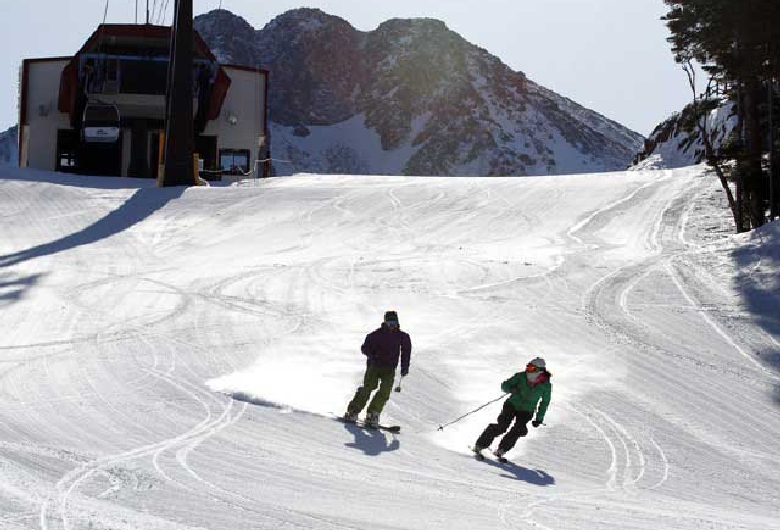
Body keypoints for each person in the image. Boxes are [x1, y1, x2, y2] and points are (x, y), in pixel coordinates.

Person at [473, 357, 552, 459]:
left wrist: (539, 419)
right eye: (528, 367)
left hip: (527, 411)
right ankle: (480, 445)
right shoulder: (521, 376)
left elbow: (544, 402)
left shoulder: (546, 385)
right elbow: (504, 385)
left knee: (519, 429)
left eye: (531, 368)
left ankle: (502, 450)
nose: (528, 370)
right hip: (512, 405)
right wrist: (511, 388)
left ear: (539, 371)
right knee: (502, 426)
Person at [344, 310, 412, 428]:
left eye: (394, 323)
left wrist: (404, 367)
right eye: (390, 323)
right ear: (385, 322)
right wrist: (373, 354)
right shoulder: (376, 335)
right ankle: (353, 411)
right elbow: (364, 348)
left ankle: (373, 413)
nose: (392, 325)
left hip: (390, 369)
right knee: (368, 388)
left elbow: (406, 351)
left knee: (385, 391)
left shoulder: (402, 336)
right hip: (374, 366)